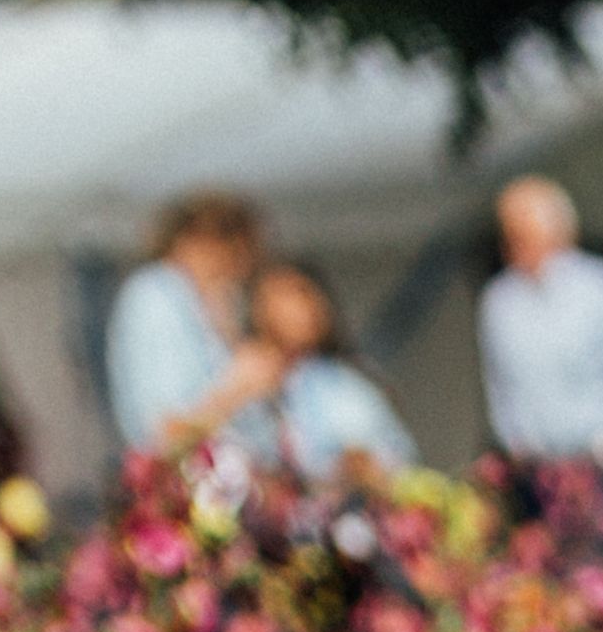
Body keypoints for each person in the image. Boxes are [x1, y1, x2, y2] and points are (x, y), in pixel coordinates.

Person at [479, 178, 603, 482]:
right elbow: (501, 388)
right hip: (543, 470)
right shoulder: (500, 301)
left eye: (528, 234)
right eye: (513, 234)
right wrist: (519, 443)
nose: (520, 246)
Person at [104, 192, 275, 462]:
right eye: (232, 254)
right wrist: (241, 387)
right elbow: (166, 433)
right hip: (194, 481)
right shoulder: (157, 294)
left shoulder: (212, 306)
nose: (241, 270)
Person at [244, 263, 415, 481]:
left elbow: (382, 463)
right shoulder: (242, 374)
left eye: (303, 293)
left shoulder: (338, 383)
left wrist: (355, 464)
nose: (298, 308)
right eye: (281, 295)